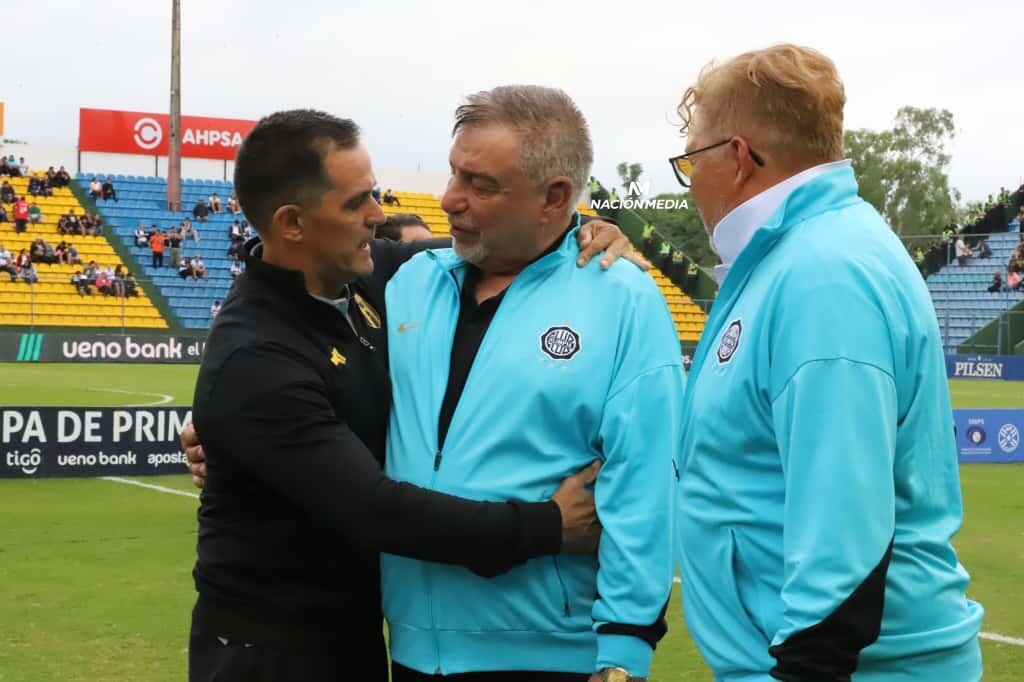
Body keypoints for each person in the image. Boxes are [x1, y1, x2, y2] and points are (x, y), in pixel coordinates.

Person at [179, 109, 639, 682]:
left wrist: (573, 228)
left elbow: (490, 242)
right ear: (292, 223)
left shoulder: (368, 278)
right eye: (355, 204)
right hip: (268, 652)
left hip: (359, 637)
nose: (379, 217)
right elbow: (374, 510)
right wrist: (548, 525)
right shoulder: (257, 357)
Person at [672, 43, 982, 681]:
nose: (690, 181)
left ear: (736, 157)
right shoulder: (801, 257)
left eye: (690, 161)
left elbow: (843, 543)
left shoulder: (822, 274)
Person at [382, 86, 681, 682]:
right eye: (453, 174)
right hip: (411, 650)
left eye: (481, 185)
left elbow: (644, 485)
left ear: (556, 197)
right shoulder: (410, 282)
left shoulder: (623, 299)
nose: (450, 199)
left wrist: (624, 654)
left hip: (551, 656)